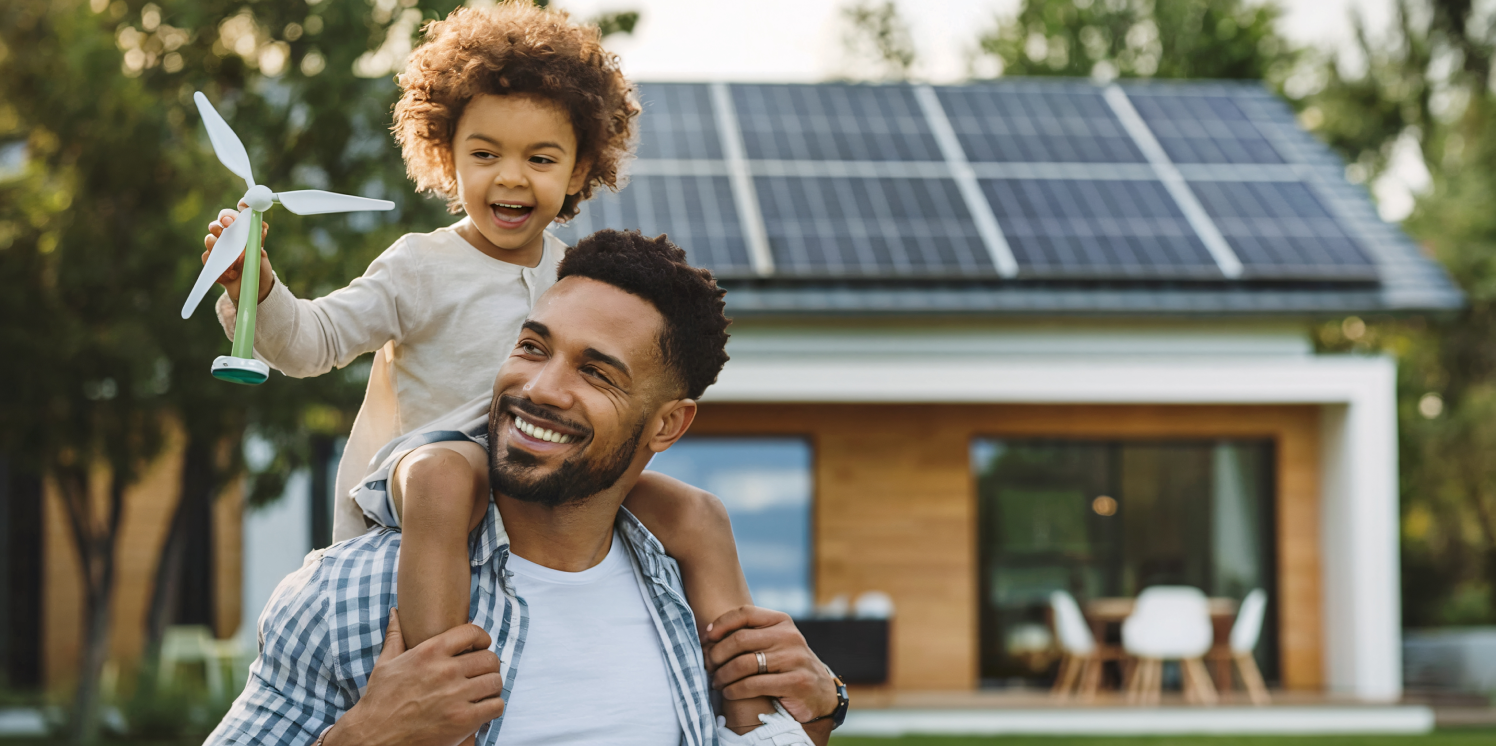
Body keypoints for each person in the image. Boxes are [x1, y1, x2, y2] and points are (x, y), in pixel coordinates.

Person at [200, 3, 778, 732]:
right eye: (484, 154)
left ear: (580, 169)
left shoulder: (575, 279)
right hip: (431, 459)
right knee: (447, 479)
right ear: (444, 157)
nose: (511, 179)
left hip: (542, 470)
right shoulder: (420, 265)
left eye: (540, 159)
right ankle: (443, 699)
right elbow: (312, 343)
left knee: (698, 512)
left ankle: (763, 714)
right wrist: (260, 292)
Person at [204, 230, 848, 746]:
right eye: (534, 347)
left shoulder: (691, 603)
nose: (540, 388)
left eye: (597, 373)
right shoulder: (347, 596)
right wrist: (365, 740)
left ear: (667, 424)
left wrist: (817, 716)